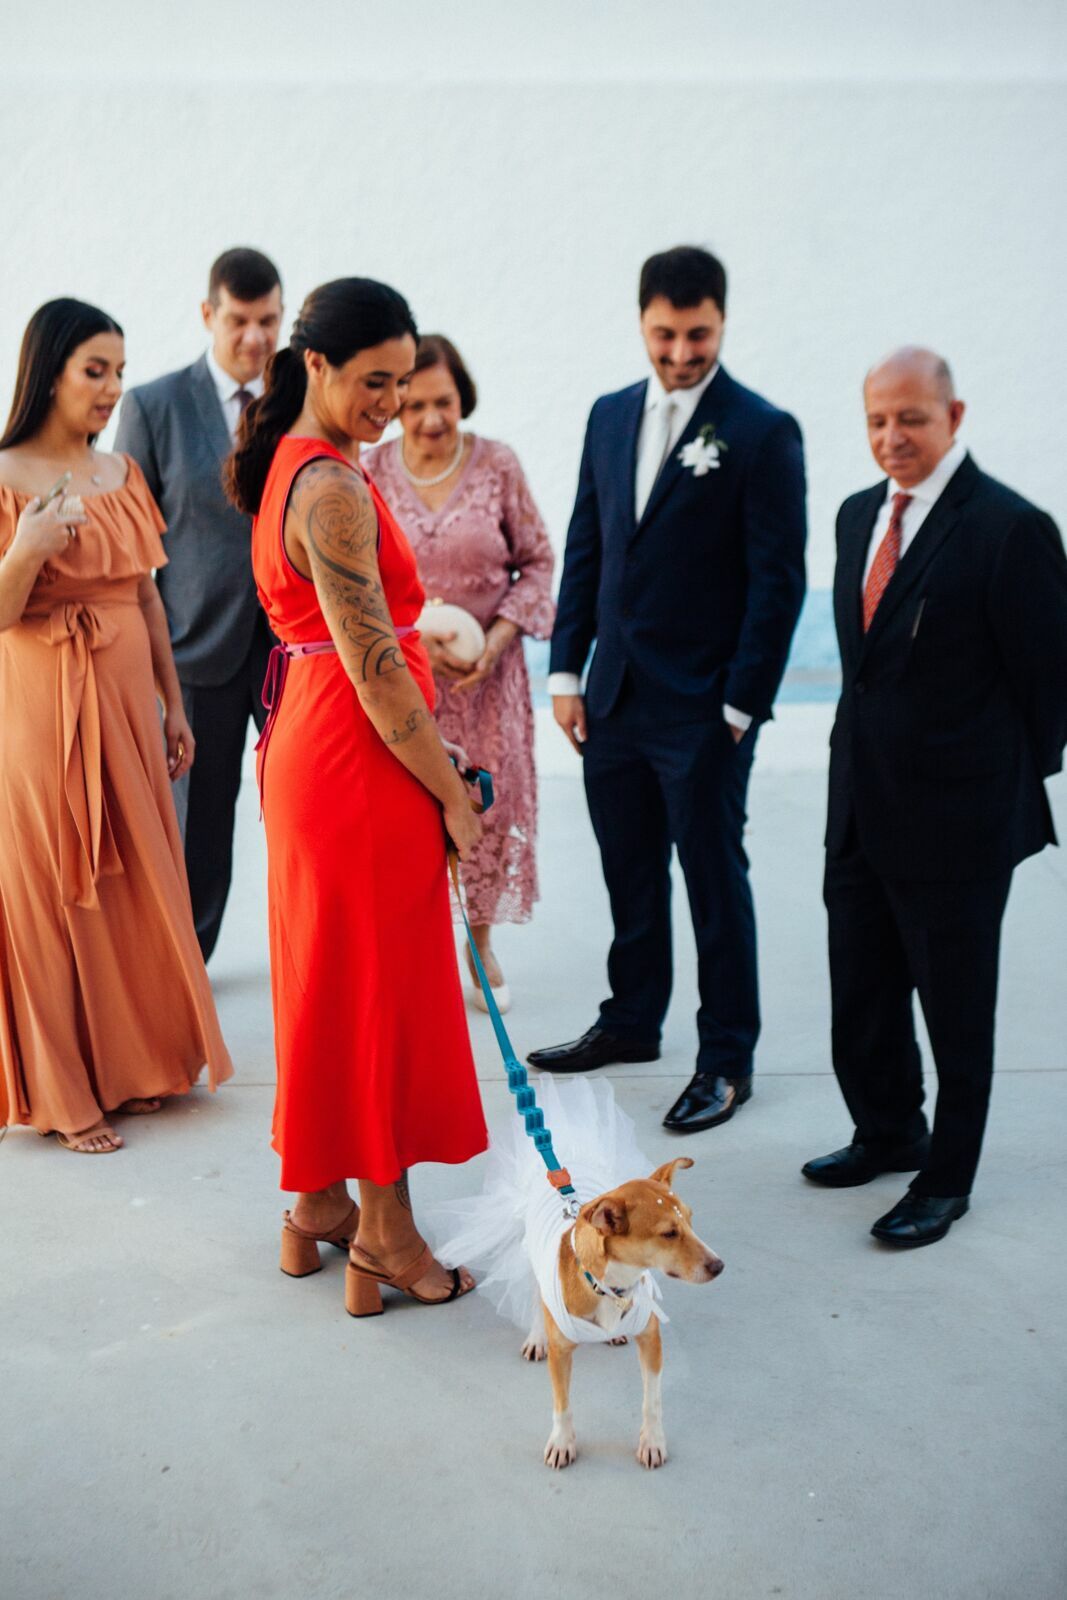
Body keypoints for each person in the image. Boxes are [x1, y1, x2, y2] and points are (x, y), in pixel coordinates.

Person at [225, 278, 487, 1308]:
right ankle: (387, 1235)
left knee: (330, 980)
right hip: (350, 756)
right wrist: (455, 799)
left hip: (312, 741)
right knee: (373, 990)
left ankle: (317, 1202)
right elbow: (375, 670)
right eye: (373, 382)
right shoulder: (328, 485)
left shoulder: (296, 463)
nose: (389, 403)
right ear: (317, 366)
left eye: (403, 381)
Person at [529, 246, 807, 1134]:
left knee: (713, 881)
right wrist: (566, 671)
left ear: (721, 323)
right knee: (628, 869)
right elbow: (587, 546)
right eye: (664, 333)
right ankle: (631, 1020)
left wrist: (738, 707)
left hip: (702, 708)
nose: (681, 352)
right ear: (641, 322)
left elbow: (778, 581)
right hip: (611, 695)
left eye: (697, 334)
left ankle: (726, 1058)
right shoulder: (609, 416)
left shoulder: (761, 431)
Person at [803, 346, 1067, 1246]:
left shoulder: (1008, 529)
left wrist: (984, 787)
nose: (891, 437)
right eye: (876, 419)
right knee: (861, 998)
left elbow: (1048, 687)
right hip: (859, 809)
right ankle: (887, 1132)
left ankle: (945, 1180)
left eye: (910, 418)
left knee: (956, 1012)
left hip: (958, 822)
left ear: (953, 417)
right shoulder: (853, 518)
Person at [0, 299, 233, 1153]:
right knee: (54, 885)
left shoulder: (122, 475)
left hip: (131, 705)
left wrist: (174, 705)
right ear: (49, 370)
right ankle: (65, 1095)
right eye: (94, 370)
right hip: (39, 710)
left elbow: (144, 597)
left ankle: (132, 1068)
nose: (110, 389)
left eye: (119, 373)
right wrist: (24, 549)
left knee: (136, 880)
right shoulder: (5, 472)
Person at [365, 334, 555, 1011]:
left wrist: (497, 641)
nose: (430, 419)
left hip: (488, 683)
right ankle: (411, 954)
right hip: (402, 680)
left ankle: (479, 945)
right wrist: (410, 643)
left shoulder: (498, 464)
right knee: (404, 815)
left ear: (461, 396)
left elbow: (536, 561)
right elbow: (357, 583)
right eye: (412, 404)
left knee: (485, 808)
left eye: (442, 401)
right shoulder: (368, 472)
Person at [115, 247, 283, 962]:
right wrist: (150, 667)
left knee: (307, 814)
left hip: (287, 647)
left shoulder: (296, 402)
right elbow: (130, 546)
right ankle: (187, 969)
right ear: (208, 314)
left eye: (270, 321)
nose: (256, 338)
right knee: (200, 824)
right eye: (240, 320)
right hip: (193, 649)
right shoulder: (152, 405)